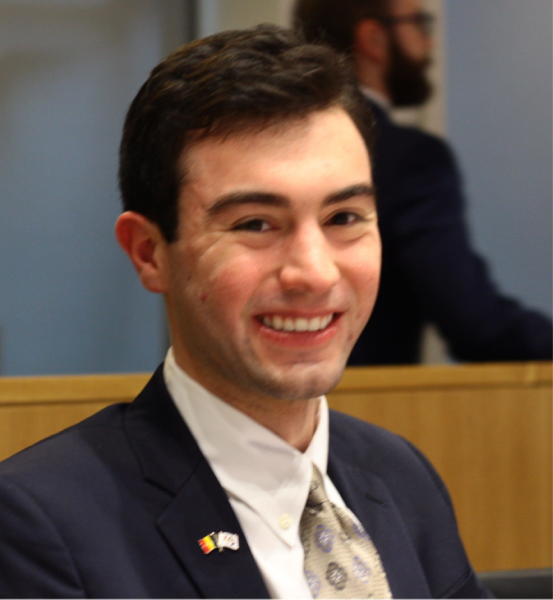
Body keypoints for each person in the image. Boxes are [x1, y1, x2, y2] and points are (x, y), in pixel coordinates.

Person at [0, 25, 490, 598]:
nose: (314, 272)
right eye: (255, 224)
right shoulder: (41, 523)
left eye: (344, 219)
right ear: (148, 253)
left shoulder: (402, 476)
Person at [293, 0, 553, 365]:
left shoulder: (285, 148)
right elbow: (476, 324)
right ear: (374, 38)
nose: (429, 44)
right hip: (367, 405)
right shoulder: (409, 157)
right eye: (420, 24)